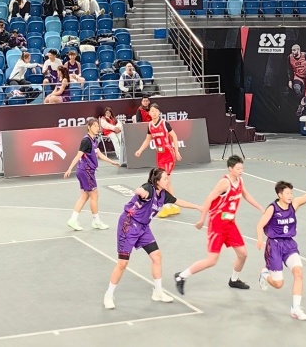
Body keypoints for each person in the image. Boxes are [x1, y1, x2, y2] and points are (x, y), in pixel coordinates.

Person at [103, 168, 201, 309]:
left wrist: (198, 207)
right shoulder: (149, 188)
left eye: (167, 178)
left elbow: (178, 201)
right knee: (122, 263)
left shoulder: (163, 194)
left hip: (143, 227)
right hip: (128, 225)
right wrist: (140, 192)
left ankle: (158, 292)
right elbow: (141, 190)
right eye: (165, 179)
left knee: (156, 256)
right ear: (157, 181)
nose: (167, 181)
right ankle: (108, 295)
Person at [174, 155, 264, 295]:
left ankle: (234, 280)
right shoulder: (224, 183)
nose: (241, 170)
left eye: (242, 168)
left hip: (230, 224)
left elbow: (246, 195)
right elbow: (209, 199)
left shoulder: (240, 181)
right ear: (230, 168)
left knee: (243, 254)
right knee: (212, 260)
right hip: (217, 224)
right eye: (238, 168)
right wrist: (202, 219)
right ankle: (181, 276)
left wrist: (261, 208)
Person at [256, 169, 306, 322]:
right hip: (274, 246)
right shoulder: (272, 208)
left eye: (291, 193)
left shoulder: (294, 204)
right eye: (287, 193)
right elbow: (260, 225)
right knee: (278, 284)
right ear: (279, 194)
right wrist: (260, 240)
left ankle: (295, 309)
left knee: (298, 273)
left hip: (289, 244)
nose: (290, 196)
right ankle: (264, 274)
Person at [64, 118, 121, 231]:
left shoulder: (94, 139)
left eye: (97, 126)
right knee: (94, 195)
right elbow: (78, 155)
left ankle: (73, 219)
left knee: (85, 196)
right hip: (86, 171)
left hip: (86, 171)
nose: (97, 128)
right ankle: (96, 221)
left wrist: (112, 162)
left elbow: (99, 154)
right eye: (94, 126)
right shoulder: (86, 141)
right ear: (89, 127)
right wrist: (70, 168)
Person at [134, 103, 182, 217]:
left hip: (168, 155)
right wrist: (140, 150)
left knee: (165, 180)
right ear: (149, 113)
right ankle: (172, 204)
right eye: (152, 111)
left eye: (156, 111)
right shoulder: (150, 125)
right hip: (160, 156)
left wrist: (177, 151)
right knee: (165, 181)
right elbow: (147, 140)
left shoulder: (164, 123)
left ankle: (168, 204)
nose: (154, 113)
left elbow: (174, 136)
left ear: (159, 112)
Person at [287, 44, 306, 115]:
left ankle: (302, 106)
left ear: (298, 50)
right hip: (298, 76)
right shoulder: (289, 57)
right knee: (296, 88)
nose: (293, 52)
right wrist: (290, 80)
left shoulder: (305, 55)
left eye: (294, 50)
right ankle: (305, 107)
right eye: (292, 50)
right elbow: (289, 69)